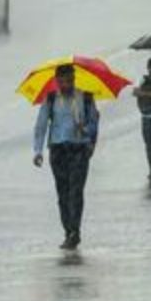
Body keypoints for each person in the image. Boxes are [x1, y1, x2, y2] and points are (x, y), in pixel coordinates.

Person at [33, 64, 99, 250]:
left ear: (74, 79)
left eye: (69, 81)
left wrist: (84, 129)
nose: (66, 84)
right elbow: (40, 125)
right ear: (56, 81)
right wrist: (38, 151)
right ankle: (68, 230)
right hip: (58, 150)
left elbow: (94, 123)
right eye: (62, 81)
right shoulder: (51, 99)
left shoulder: (85, 98)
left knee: (76, 192)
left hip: (79, 150)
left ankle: (75, 232)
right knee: (62, 193)